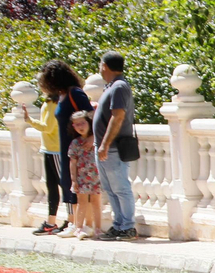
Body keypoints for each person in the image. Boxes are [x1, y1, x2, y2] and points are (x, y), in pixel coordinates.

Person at [36, 61, 87, 235]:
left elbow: (89, 115)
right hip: (66, 147)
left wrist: (90, 138)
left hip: (76, 147)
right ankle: (73, 224)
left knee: (73, 185)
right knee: (67, 183)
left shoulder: (75, 93)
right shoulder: (62, 95)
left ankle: (75, 223)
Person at [94, 52, 138, 240]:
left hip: (113, 148)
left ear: (104, 66)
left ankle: (128, 227)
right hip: (105, 148)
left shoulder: (119, 87)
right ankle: (118, 225)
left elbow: (118, 116)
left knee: (120, 188)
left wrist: (105, 144)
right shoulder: (112, 87)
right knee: (111, 190)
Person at [21, 81, 62, 235]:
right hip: (50, 149)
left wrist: (29, 120)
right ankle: (51, 223)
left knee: (64, 186)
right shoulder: (50, 102)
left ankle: (73, 221)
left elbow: (47, 127)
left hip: (56, 150)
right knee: (52, 187)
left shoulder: (53, 104)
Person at [66, 112, 102, 239]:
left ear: (89, 122)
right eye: (77, 124)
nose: (80, 126)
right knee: (82, 202)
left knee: (96, 202)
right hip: (82, 178)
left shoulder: (97, 139)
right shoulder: (76, 143)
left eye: (82, 123)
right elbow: (73, 162)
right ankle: (79, 228)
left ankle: (98, 228)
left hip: (96, 177)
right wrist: (74, 180)